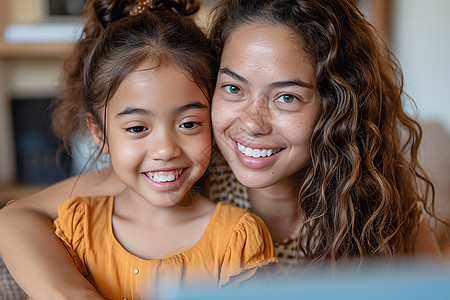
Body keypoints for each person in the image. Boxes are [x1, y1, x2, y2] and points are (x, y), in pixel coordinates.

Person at [0, 0, 442, 297]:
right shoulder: (185, 171)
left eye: (286, 96)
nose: (251, 123)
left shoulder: (377, 200)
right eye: (233, 88)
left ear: (337, 104)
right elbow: (16, 217)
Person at [0, 0, 278, 299]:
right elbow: (15, 217)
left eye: (188, 124)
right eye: (137, 128)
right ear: (99, 133)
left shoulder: (239, 237)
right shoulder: (75, 228)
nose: (165, 149)